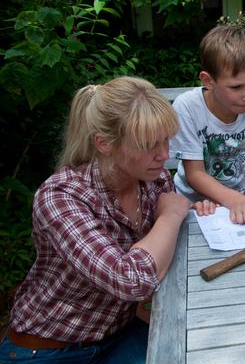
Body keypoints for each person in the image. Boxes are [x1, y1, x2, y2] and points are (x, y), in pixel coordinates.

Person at [0, 76, 215, 363]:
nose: (164, 154)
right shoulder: (61, 197)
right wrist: (172, 214)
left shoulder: (154, 180)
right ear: (103, 144)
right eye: (148, 144)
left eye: (165, 139)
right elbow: (131, 280)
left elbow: (164, 259)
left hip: (121, 334)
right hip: (48, 348)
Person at [169, 25, 245, 231]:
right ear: (208, 80)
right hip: (193, 206)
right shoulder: (187, 108)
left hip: (241, 203)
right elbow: (194, 173)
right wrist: (236, 200)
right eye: (236, 87)